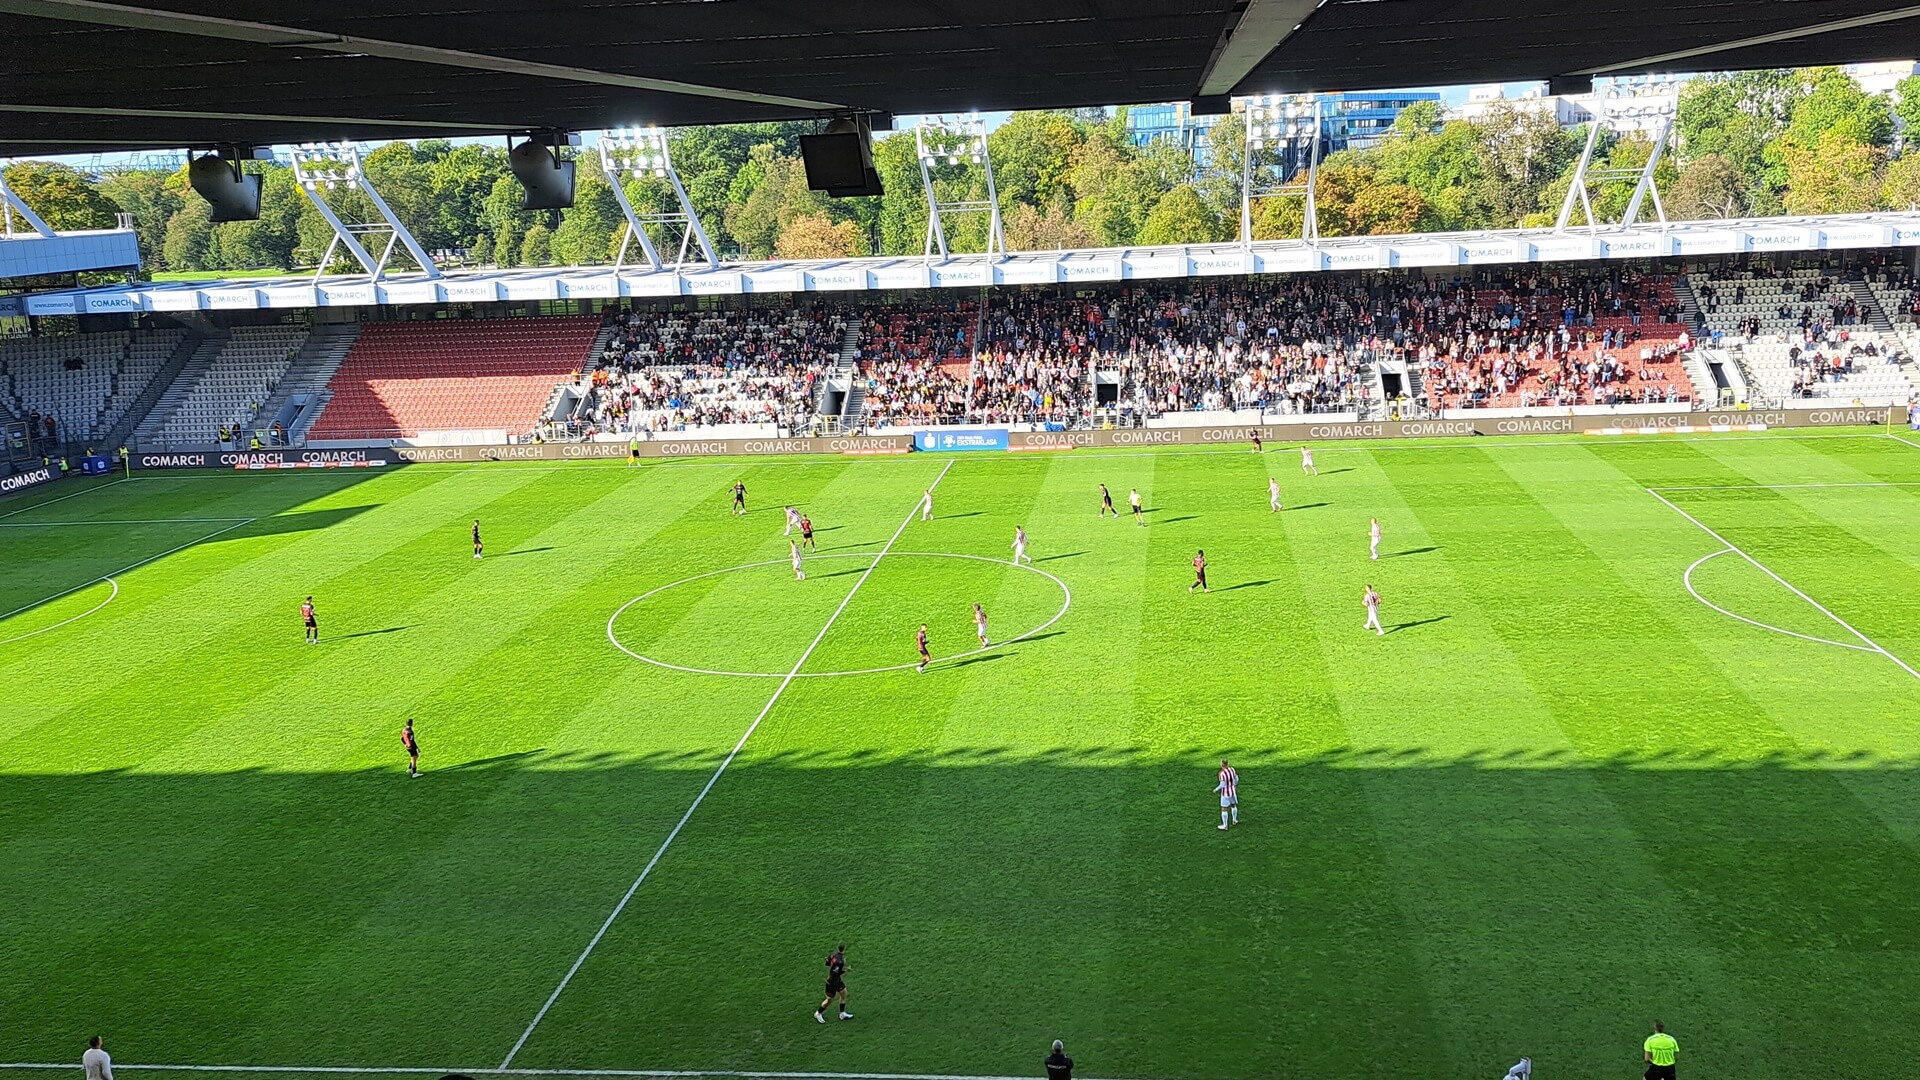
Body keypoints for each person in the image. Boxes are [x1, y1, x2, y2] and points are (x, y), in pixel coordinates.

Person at [814, 944, 852, 1023]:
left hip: (837, 981)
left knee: (844, 994)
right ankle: (818, 1013)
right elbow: (837, 973)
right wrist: (846, 970)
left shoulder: (832, 955)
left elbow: (827, 964)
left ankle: (842, 1014)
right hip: (831, 982)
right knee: (829, 1000)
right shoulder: (841, 961)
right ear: (844, 949)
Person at [1215, 759, 1239, 830]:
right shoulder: (1232, 769)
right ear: (1227, 764)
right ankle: (1234, 820)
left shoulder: (1221, 773)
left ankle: (1225, 825)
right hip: (1233, 791)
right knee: (1233, 805)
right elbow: (1236, 779)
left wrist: (1216, 789)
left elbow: (1222, 784)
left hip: (1225, 793)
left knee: (1224, 809)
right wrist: (1234, 785)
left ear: (1222, 765)